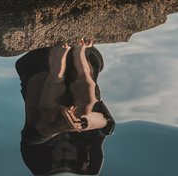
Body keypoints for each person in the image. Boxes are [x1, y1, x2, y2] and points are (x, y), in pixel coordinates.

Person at [16, 42, 115, 175]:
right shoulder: (91, 169)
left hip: (38, 65)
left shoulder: (40, 169)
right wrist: (84, 122)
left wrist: (58, 125)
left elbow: (30, 138)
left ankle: (56, 70)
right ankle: (78, 59)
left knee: (46, 117)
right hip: (86, 60)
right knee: (86, 108)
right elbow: (107, 126)